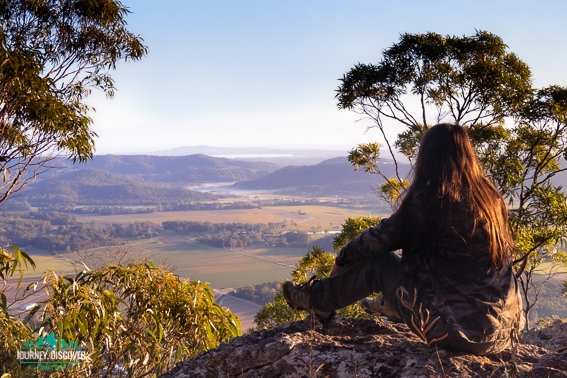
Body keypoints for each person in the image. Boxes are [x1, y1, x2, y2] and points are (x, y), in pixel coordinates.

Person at [283, 123, 523, 355]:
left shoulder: (430, 201)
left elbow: (373, 241)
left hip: (458, 335)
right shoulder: (491, 199)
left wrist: (341, 259)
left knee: (380, 263)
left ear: (426, 157)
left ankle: (317, 299)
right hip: (507, 332)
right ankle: (392, 306)